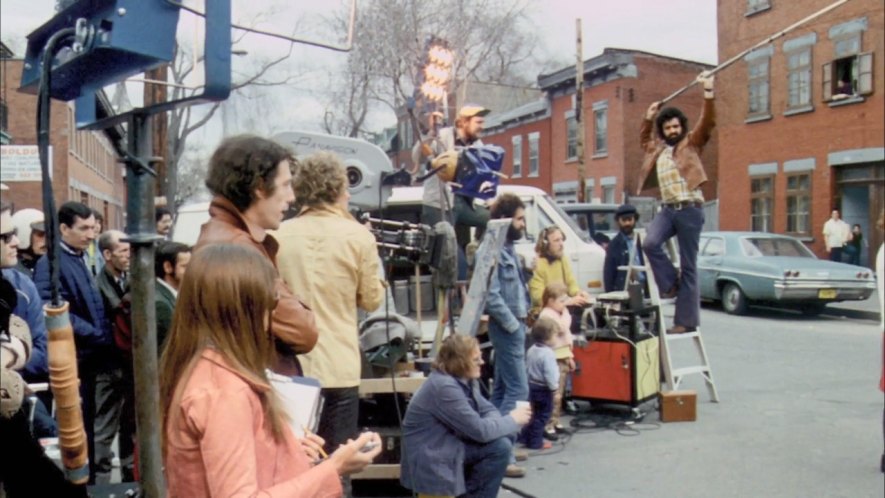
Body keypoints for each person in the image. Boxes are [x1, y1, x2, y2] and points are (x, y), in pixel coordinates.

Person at [161, 243, 381, 496]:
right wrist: (334, 467)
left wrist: (288, 454)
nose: (272, 315)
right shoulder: (225, 392)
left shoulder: (205, 370)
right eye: (271, 301)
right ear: (246, 309)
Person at [276, 152, 385, 494]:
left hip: (290, 368)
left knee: (290, 467)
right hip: (339, 366)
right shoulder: (358, 237)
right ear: (339, 189)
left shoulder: (278, 235)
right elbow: (372, 300)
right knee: (339, 466)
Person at [195, 134, 318, 376]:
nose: (292, 197)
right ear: (260, 187)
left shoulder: (225, 238)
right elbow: (303, 332)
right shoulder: (237, 249)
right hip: (246, 387)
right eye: (285, 185)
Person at [33, 201, 110, 483]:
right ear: (64, 229)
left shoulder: (77, 256)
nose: (91, 234)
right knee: (76, 426)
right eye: (84, 228)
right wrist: (91, 331)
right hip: (75, 359)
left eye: (93, 227)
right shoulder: (52, 262)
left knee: (87, 422)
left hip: (88, 357)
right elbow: (48, 307)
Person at [400, 334, 531, 498]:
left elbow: (488, 410)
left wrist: (494, 425)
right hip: (432, 458)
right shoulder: (444, 387)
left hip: (447, 446)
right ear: (460, 362)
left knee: (499, 445)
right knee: (499, 448)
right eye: (476, 359)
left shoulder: (465, 379)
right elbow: (481, 431)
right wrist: (513, 419)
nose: (482, 362)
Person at [637, 71, 715, 335]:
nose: (672, 131)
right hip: (668, 209)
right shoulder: (658, 150)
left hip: (690, 209)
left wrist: (707, 92)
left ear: (682, 127)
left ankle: (685, 321)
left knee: (689, 265)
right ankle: (670, 283)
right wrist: (649, 117)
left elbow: (708, 122)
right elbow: (644, 140)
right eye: (667, 128)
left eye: (675, 127)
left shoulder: (691, 143)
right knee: (649, 242)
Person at [0, 275, 89, 498]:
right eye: (6, 237)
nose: (13, 242)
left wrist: (9, 353)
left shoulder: (14, 286)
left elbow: (19, 330)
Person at [484, 192, 531, 477]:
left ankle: (500, 447)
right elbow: (491, 295)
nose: (523, 224)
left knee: (501, 389)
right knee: (518, 390)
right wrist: (513, 325)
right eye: (520, 219)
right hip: (508, 327)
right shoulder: (492, 248)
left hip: (515, 324)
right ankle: (504, 453)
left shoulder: (508, 247)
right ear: (506, 220)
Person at [413, 105, 492, 248]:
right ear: (463, 122)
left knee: (494, 219)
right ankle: (458, 262)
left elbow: (483, 177)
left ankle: (476, 251)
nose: (482, 126)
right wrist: (431, 132)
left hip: (464, 204)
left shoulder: (479, 145)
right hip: (439, 205)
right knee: (448, 255)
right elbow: (416, 156)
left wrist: (490, 199)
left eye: (483, 122)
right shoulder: (441, 136)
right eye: (478, 122)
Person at [93, 229, 135, 483]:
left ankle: (131, 477)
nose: (129, 256)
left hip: (127, 366)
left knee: (130, 426)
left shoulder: (128, 279)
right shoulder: (98, 285)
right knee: (105, 429)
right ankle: (102, 481)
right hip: (108, 366)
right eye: (123, 251)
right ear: (107, 255)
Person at [537, 282, 575, 440]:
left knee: (560, 391)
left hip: (563, 355)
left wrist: (570, 357)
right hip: (553, 357)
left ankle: (555, 419)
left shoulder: (559, 312)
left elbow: (566, 337)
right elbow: (562, 328)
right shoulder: (548, 315)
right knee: (554, 393)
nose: (564, 304)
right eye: (561, 301)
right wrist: (567, 312)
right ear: (550, 301)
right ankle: (548, 423)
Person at [529, 225, 591, 315]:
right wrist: (566, 302)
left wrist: (579, 293)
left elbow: (571, 283)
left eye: (562, 239)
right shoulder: (538, 264)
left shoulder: (562, 259)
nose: (561, 244)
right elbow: (538, 297)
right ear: (546, 244)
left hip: (562, 310)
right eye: (556, 240)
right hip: (544, 314)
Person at [518, 316, 559, 451]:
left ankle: (525, 437)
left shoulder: (532, 349)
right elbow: (550, 373)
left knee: (531, 414)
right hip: (543, 388)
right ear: (548, 337)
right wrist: (555, 389)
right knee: (542, 415)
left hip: (531, 385)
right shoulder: (548, 354)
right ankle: (536, 442)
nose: (556, 338)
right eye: (555, 335)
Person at [154, 241, 191, 353]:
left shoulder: (175, 293)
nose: (191, 271)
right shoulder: (160, 303)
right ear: (168, 267)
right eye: (185, 266)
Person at [604, 204, 646, 292]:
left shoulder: (643, 240)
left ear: (635, 219)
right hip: (626, 289)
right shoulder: (614, 244)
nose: (627, 223)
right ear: (618, 221)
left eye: (630, 219)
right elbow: (609, 273)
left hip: (646, 287)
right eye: (624, 220)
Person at [10, 208, 45, 279]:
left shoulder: (50, 265)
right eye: (40, 235)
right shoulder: (12, 273)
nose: (46, 241)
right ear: (24, 234)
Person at [83, 209, 105, 277]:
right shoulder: (81, 245)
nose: (98, 226)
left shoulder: (99, 244)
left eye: (99, 222)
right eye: (95, 222)